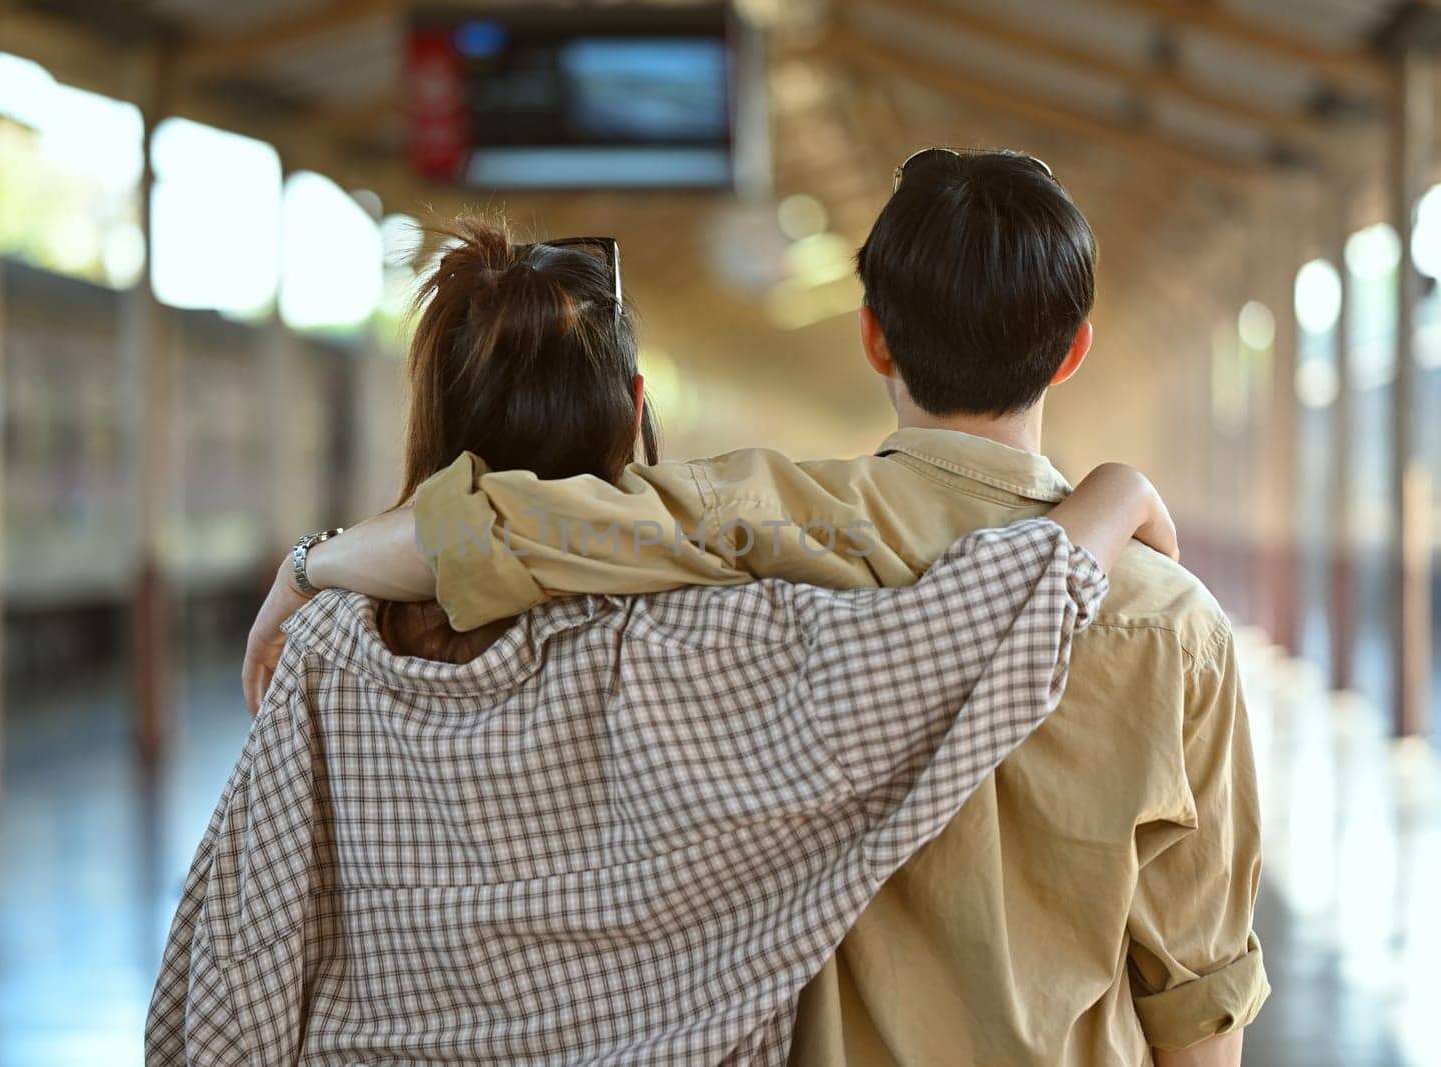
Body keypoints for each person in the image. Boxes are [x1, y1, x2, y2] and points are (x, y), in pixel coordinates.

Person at [244, 150, 1268, 1066]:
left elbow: (504, 529)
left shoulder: (768, 527)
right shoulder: (1175, 625)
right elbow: (1196, 1005)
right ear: (1074, 348)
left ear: (871, 336)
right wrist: (1120, 485)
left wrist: (309, 568)